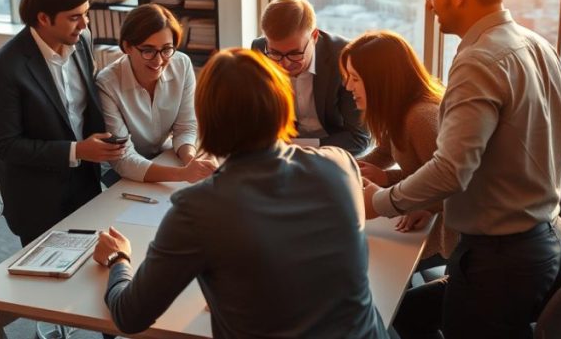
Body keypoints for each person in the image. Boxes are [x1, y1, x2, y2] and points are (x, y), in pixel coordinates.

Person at [92, 49, 388, 339]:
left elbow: (129, 317)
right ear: (283, 104)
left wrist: (119, 259)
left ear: (208, 121)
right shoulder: (339, 163)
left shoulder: (198, 207)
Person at [363, 0, 561, 339]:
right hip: (546, 240)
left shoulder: (478, 61)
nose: (429, 4)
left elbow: (450, 171)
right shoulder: (537, 44)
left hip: (500, 262)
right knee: (414, 313)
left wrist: (378, 202)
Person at [0, 0, 124, 247]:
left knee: (91, 267)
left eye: (86, 14)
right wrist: (76, 150)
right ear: (43, 18)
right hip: (38, 196)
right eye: (75, 17)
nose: (85, 24)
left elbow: (85, 108)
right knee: (45, 281)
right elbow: (7, 145)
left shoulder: (82, 41)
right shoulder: (6, 66)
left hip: (85, 183)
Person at [340, 30, 457, 262]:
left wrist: (388, 182)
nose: (348, 87)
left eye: (354, 78)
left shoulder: (420, 118)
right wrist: (341, 169)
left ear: (379, 81)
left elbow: (450, 189)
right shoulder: (400, 110)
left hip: (449, 238)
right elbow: (385, 151)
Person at [96, 3, 218, 183]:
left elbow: (185, 127)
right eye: (148, 50)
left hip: (162, 155)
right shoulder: (107, 83)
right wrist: (182, 174)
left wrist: (192, 161)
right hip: (120, 173)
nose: (159, 60)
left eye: (167, 49)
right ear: (128, 47)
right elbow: (122, 158)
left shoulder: (181, 64)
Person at [251, 0, 370, 154]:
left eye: (295, 53)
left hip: (331, 153)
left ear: (314, 37)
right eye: (275, 53)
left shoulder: (344, 57)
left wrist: (298, 149)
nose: (284, 64)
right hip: (278, 153)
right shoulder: (259, 50)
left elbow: (359, 138)